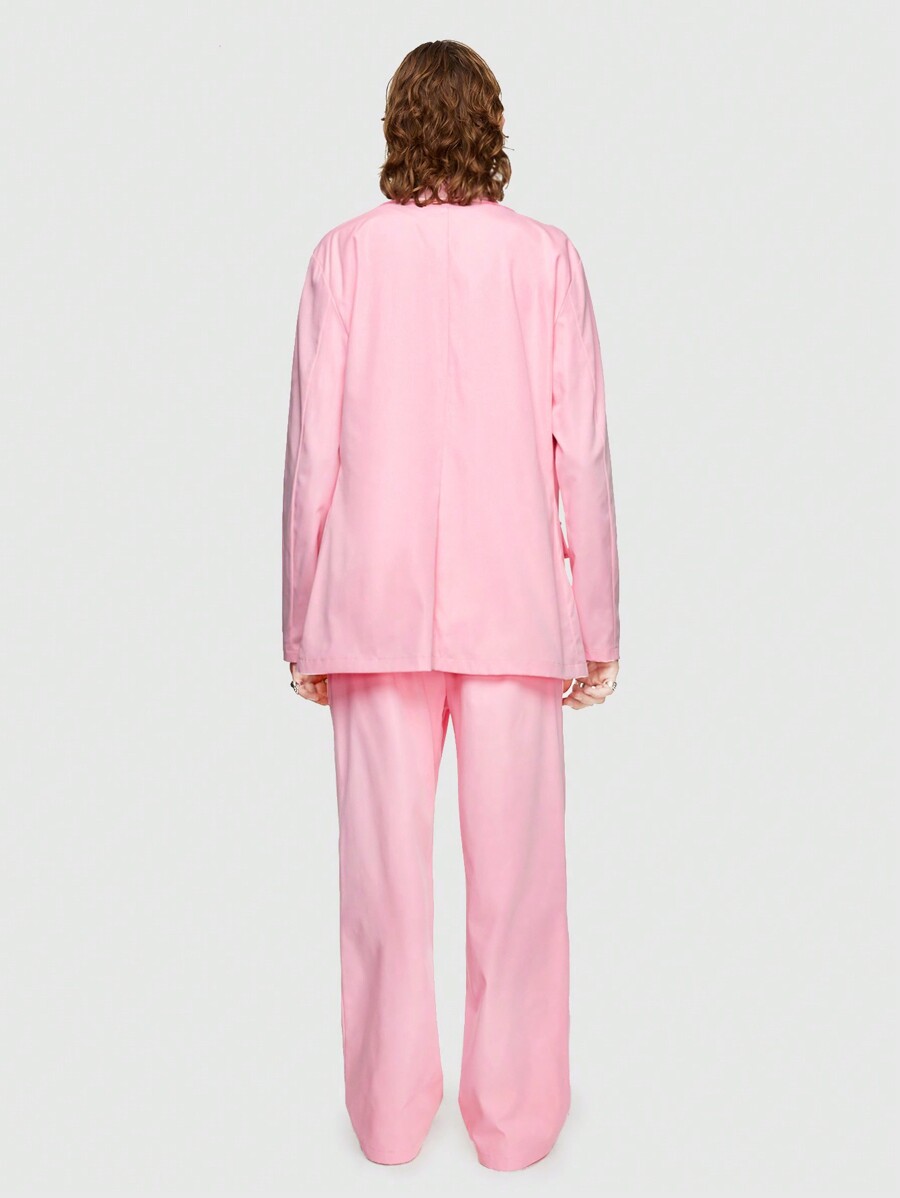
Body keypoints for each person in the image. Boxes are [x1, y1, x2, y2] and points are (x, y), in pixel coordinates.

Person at [282, 40, 620, 1172]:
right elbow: (584, 453)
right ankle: (516, 1122)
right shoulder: (546, 259)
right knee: (518, 882)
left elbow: (311, 454)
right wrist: (597, 619)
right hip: (515, 602)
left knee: (380, 878)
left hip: (371, 606)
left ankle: (386, 1117)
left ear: (397, 126)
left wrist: (302, 618)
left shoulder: (344, 257)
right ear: (492, 127)